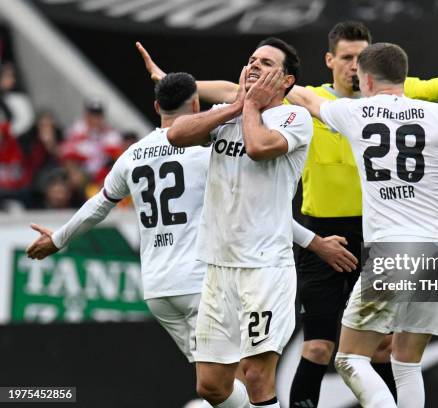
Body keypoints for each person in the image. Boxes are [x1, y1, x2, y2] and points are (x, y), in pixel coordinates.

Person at [135, 18, 438, 405]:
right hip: (342, 234)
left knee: (368, 353)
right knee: (327, 347)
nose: (353, 65)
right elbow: (238, 90)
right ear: (330, 60)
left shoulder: (350, 108)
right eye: (346, 56)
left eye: (360, 57)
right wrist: (178, 82)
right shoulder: (336, 102)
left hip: (379, 236)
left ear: (369, 70)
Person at [26, 71, 348, 406]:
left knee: (217, 386)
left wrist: (59, 239)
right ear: (196, 104)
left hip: (159, 291)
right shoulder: (208, 154)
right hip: (204, 280)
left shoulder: (132, 155)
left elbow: (99, 205)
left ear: (156, 107)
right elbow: (256, 211)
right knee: (241, 376)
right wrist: (315, 243)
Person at [290, 42, 438, 408]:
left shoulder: (353, 112)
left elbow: (308, 101)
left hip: (394, 250)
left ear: (367, 79)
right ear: (403, 75)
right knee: (406, 362)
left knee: (349, 358)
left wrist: (274, 79)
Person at [164, 38, 312, 408]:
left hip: (264, 267)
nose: (255, 67)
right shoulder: (228, 112)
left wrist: (249, 106)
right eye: (251, 60)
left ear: (287, 81)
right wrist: (235, 106)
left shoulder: (293, 118)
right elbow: (176, 134)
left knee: (257, 375)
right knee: (211, 385)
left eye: (266, 63)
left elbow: (259, 148)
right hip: (218, 266)